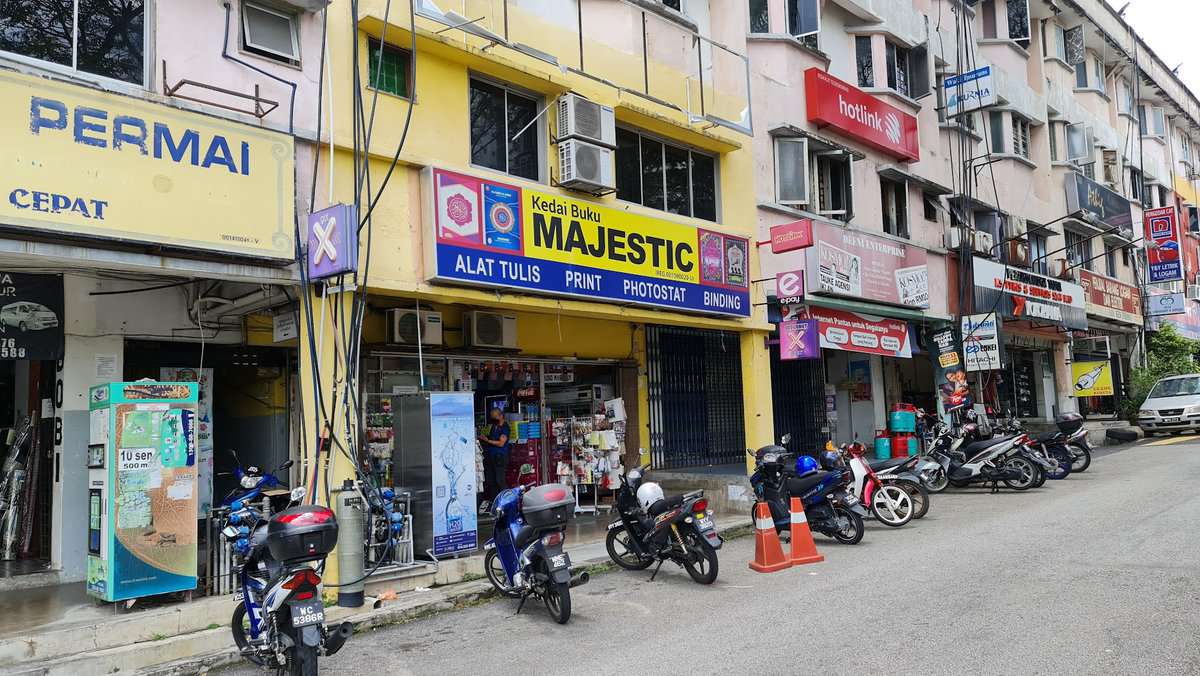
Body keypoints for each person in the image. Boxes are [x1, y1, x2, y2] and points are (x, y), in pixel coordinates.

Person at [478, 407, 511, 511]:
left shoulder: (505, 427)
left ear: (501, 415)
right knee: (491, 481)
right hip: (491, 457)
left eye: (495, 417)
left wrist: (488, 441)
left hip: (500, 457)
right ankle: (495, 503)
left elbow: (501, 443)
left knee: (499, 480)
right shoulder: (494, 426)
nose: (493, 419)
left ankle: (508, 503)